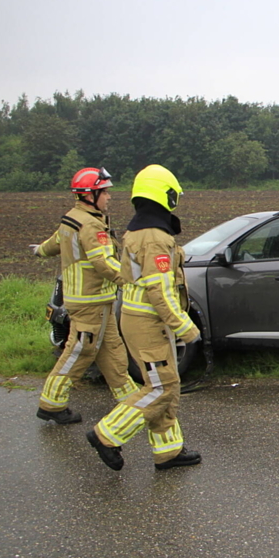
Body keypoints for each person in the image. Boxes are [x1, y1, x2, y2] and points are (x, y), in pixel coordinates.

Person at [86, 164, 202, 471]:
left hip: (143, 320)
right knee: (162, 388)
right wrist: (186, 328)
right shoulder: (153, 237)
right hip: (148, 322)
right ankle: (107, 435)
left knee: (165, 384)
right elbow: (159, 291)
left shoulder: (142, 230)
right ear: (163, 195)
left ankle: (168, 451)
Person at [32, 167, 138, 424]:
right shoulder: (91, 225)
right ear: (90, 195)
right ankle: (51, 403)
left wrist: (38, 251)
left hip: (95, 301)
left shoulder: (73, 218)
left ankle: (132, 401)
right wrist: (134, 282)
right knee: (80, 351)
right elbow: (104, 263)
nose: (109, 197)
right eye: (105, 192)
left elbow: (54, 243)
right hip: (90, 301)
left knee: (111, 350)